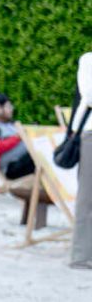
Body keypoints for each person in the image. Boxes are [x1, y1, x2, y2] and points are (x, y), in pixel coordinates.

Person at [71, 52, 92, 270]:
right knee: (87, 195)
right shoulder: (88, 60)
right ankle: (81, 255)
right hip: (90, 133)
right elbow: (89, 95)